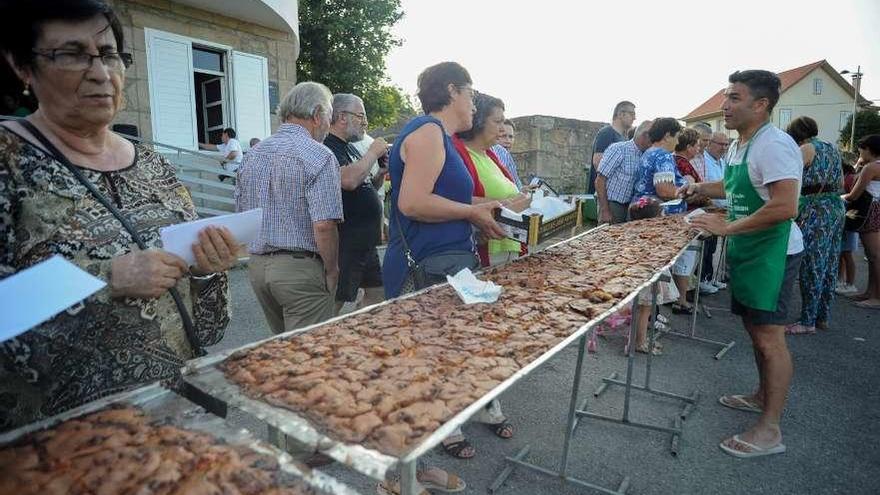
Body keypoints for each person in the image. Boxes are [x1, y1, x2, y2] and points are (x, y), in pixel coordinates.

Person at [0, 0, 235, 431]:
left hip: (175, 418)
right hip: (56, 442)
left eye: (109, 54)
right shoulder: (7, 160)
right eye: (70, 54)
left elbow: (207, 327)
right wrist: (107, 277)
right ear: (22, 67)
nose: (100, 73)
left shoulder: (154, 166)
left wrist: (205, 272)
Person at [379, 60, 501, 495]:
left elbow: (438, 198)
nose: (474, 102)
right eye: (471, 92)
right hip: (425, 269)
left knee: (431, 372)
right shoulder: (428, 132)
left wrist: (478, 216)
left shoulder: (441, 137)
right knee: (418, 375)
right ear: (452, 91)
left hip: (442, 264)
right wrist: (471, 211)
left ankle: (416, 467)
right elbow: (412, 202)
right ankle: (396, 477)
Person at [683, 70, 803, 458]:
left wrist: (727, 227)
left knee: (770, 339)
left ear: (761, 104)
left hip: (774, 253)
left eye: (734, 98)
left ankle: (770, 430)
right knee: (756, 331)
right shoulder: (740, 145)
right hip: (750, 250)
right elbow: (737, 185)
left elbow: (785, 206)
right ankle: (761, 395)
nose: (725, 106)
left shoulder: (775, 144)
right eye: (726, 97)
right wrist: (701, 187)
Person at [236, 82, 343, 334]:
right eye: (329, 116)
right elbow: (324, 225)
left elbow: (242, 213)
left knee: (282, 350)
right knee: (309, 357)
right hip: (300, 269)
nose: (329, 126)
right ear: (317, 115)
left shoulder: (252, 154)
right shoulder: (320, 155)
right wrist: (332, 269)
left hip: (258, 268)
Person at [323, 93, 388, 312]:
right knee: (334, 303)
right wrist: (372, 152)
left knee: (377, 294)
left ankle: (358, 337)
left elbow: (366, 187)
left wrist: (380, 172)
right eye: (361, 116)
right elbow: (348, 181)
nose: (365, 123)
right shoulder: (329, 147)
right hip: (346, 243)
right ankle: (319, 340)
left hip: (364, 243)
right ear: (342, 117)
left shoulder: (349, 147)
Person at [785, 116, 845, 333]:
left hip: (815, 210)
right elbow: (839, 181)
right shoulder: (832, 147)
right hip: (835, 207)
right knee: (829, 263)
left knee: (812, 265)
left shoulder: (806, 149)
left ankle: (807, 321)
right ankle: (822, 317)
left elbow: (789, 178)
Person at [632, 117, 696, 314]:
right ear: (667, 135)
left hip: (646, 216)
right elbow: (664, 189)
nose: (678, 143)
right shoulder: (662, 156)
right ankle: (647, 325)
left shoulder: (649, 153)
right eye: (677, 137)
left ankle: (648, 322)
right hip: (659, 220)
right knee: (653, 275)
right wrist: (688, 189)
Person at [455, 92, 527, 266]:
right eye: (497, 122)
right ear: (478, 122)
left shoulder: (491, 155)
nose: (503, 129)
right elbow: (456, 200)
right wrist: (509, 202)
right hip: (486, 248)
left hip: (510, 244)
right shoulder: (459, 154)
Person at [842, 134, 880, 308]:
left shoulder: (871, 168)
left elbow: (853, 194)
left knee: (875, 256)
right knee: (872, 257)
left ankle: (877, 298)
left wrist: (838, 198)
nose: (859, 152)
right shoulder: (872, 166)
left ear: (869, 150)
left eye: (861, 149)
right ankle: (870, 292)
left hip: (869, 212)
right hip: (875, 209)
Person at [595, 120, 653, 224]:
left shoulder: (645, 155)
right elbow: (600, 180)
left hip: (630, 206)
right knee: (609, 238)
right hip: (612, 205)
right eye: (652, 139)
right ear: (645, 135)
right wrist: (605, 210)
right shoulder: (619, 149)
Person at [700, 132, 731, 290]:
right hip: (710, 209)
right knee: (707, 248)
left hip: (723, 210)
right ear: (710, 143)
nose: (724, 148)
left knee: (715, 249)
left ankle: (712, 277)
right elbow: (706, 185)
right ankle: (703, 280)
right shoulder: (704, 160)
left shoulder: (722, 161)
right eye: (721, 144)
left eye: (726, 145)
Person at [588, 100, 636, 193]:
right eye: (632, 114)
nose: (634, 118)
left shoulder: (623, 137)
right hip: (604, 194)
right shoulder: (606, 133)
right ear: (621, 114)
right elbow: (597, 162)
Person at [836, 161, 860, 295]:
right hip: (846, 218)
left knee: (847, 253)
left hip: (849, 218)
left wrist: (840, 197)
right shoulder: (848, 176)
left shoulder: (850, 177)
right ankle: (840, 280)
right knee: (842, 252)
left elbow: (852, 198)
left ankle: (850, 283)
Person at [490, 119, 523, 190]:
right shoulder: (498, 152)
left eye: (511, 137)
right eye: (503, 136)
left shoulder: (507, 156)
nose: (508, 141)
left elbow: (516, 184)